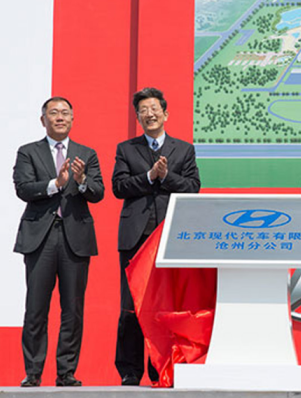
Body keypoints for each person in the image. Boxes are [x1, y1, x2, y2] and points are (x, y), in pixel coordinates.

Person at [13, 97, 105, 387]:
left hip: (74, 238)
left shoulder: (86, 154)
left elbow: (99, 192)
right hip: (40, 238)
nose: (60, 117)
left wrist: (80, 180)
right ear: (44, 120)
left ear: (73, 119)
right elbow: (23, 188)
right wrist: (57, 184)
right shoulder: (28, 152)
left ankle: (66, 372)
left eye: (65, 113)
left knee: (73, 309)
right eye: (54, 113)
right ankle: (33, 373)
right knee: (36, 308)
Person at [112, 87, 201, 386]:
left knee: (167, 306)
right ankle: (129, 369)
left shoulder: (184, 149)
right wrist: (149, 177)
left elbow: (193, 187)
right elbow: (119, 187)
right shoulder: (126, 148)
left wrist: (166, 177)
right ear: (138, 117)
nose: (149, 114)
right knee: (131, 304)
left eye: (154, 109)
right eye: (143, 110)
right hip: (135, 237)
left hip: (171, 236)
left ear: (165, 113)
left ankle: (162, 368)